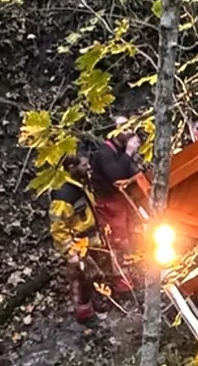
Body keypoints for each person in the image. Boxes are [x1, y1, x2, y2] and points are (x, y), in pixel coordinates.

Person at [89, 119, 142, 292]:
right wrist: (128, 152)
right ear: (114, 131)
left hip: (123, 199)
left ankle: (136, 271)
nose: (129, 130)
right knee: (119, 240)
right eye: (124, 127)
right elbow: (117, 177)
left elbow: (132, 171)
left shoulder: (120, 150)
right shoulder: (105, 153)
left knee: (132, 234)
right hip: (109, 201)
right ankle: (122, 281)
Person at [49, 155, 101, 324]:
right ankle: (83, 314)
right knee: (80, 281)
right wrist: (71, 253)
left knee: (92, 275)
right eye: (85, 165)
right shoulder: (63, 195)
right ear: (72, 167)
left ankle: (95, 302)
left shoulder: (80, 184)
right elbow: (58, 229)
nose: (89, 168)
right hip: (77, 246)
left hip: (91, 240)